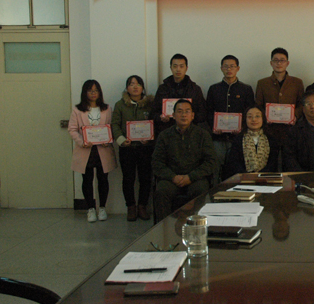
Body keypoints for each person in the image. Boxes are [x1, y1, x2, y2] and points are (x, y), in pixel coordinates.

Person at [152, 99, 217, 222]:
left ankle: (197, 226)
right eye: (180, 111)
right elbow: (157, 163)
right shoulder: (164, 135)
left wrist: (191, 177)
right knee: (161, 191)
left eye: (187, 111)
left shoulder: (203, 135)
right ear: (173, 115)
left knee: (200, 190)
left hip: (195, 178)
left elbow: (211, 162)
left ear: (192, 115)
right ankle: (163, 228)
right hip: (171, 178)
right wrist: (172, 177)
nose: (183, 115)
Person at [68, 80, 117, 223]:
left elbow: (112, 127)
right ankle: (90, 209)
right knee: (87, 179)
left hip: (103, 149)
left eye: (96, 90)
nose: (93, 93)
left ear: (100, 92)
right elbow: (72, 129)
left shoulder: (107, 108)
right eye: (90, 91)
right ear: (85, 93)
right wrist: (82, 142)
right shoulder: (77, 110)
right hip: (85, 149)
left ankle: (102, 208)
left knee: (103, 179)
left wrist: (108, 139)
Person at [111, 75, 154, 221]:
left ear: (142, 87)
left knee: (145, 178)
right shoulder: (120, 105)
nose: (135, 87)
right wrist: (121, 140)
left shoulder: (150, 104)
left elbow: (155, 124)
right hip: (127, 148)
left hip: (145, 148)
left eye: (138, 84)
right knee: (128, 179)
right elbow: (115, 124)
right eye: (131, 84)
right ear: (127, 88)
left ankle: (142, 206)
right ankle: (130, 206)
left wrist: (149, 138)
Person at [206, 55, 255, 175]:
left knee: (237, 169)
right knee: (216, 169)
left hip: (240, 138)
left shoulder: (246, 89)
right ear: (221, 68)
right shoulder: (214, 89)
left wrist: (242, 128)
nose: (229, 69)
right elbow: (208, 111)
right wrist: (214, 127)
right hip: (218, 138)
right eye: (226, 66)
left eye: (232, 66)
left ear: (238, 68)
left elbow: (250, 112)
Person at [255, 47, 304, 144]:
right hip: (269, 129)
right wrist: (265, 116)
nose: (279, 63)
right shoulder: (262, 83)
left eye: (282, 60)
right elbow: (258, 105)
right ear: (271, 63)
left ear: (287, 63)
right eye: (276, 60)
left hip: (291, 129)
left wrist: (295, 115)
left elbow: (302, 104)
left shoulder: (297, 82)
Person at [152, 54, 207, 136]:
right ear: (171, 68)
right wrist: (160, 117)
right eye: (175, 66)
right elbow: (153, 113)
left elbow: (203, 113)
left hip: (190, 133)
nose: (178, 69)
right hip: (167, 132)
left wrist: (190, 117)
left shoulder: (195, 89)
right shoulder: (162, 89)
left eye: (181, 66)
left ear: (186, 68)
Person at [223, 106, 280, 179]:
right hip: (243, 179)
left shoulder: (271, 140)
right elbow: (234, 163)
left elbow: (273, 163)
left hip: (266, 179)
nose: (254, 119)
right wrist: (247, 176)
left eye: (257, 116)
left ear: (263, 119)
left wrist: (260, 176)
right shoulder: (238, 139)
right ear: (245, 119)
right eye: (250, 117)